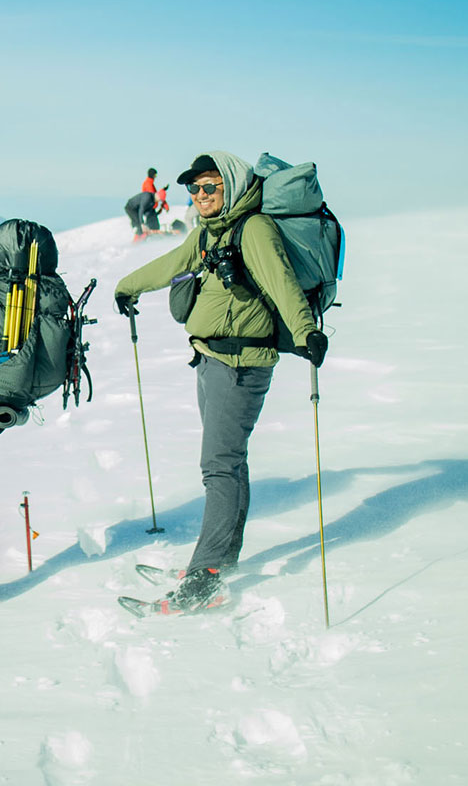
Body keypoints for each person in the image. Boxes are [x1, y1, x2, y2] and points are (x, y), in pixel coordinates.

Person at [113, 151, 329, 612]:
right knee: (230, 462)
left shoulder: (254, 229)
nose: (201, 196)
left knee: (219, 466)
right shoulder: (209, 232)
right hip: (210, 358)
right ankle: (222, 557)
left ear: (230, 186)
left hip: (241, 365)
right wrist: (127, 285)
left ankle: (206, 574)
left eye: (210, 187)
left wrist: (307, 331)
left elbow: (282, 281)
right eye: (194, 189)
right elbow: (173, 262)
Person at [123, 167, 160, 241]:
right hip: (137, 208)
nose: (156, 177)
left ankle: (140, 239)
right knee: (140, 225)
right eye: (155, 175)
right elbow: (148, 201)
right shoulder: (148, 184)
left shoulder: (150, 183)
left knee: (142, 225)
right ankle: (138, 241)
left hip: (143, 207)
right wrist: (142, 223)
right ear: (153, 175)